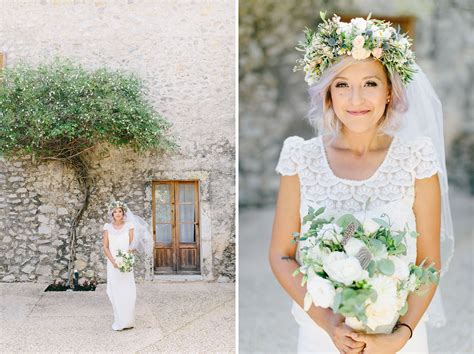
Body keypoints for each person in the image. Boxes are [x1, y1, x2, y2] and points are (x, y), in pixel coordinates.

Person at [269, 13, 453, 354]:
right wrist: (328, 323)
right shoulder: (300, 157)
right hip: (323, 337)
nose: (356, 99)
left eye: (370, 83)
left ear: (389, 92)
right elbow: (281, 255)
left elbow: (429, 260)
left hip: (395, 337)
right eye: (342, 85)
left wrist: (402, 334)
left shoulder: (416, 159)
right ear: (328, 95)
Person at [102, 201, 137, 331]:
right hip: (113, 265)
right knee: (115, 292)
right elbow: (105, 247)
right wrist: (113, 261)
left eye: (120, 211)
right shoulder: (107, 227)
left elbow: (132, 245)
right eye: (115, 211)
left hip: (126, 263)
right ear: (112, 213)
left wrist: (125, 260)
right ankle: (120, 321)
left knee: (128, 292)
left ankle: (128, 321)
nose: (117, 214)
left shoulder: (129, 226)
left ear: (123, 213)